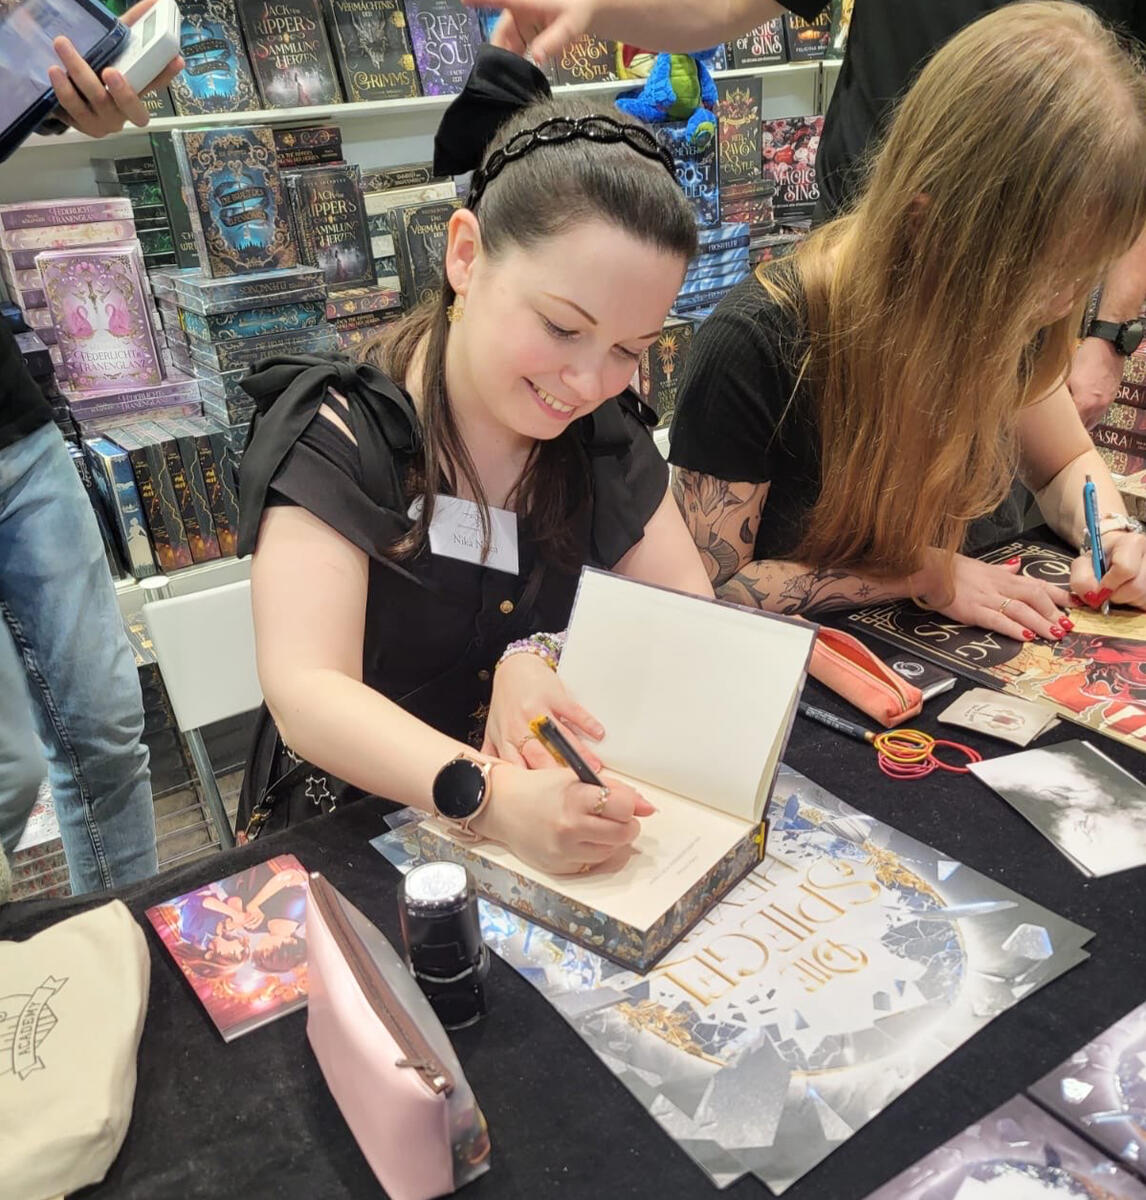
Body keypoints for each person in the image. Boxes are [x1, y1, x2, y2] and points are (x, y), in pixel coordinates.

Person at [235, 50, 712, 876]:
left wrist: (541, 655)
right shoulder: (341, 434)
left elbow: (688, 627)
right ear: (465, 255)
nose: (587, 382)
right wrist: (488, 796)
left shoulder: (602, 436)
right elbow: (309, 692)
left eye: (631, 349)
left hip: (551, 826)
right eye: (563, 328)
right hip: (356, 829)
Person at [668, 3, 1146, 642]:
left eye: (1079, 278)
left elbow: (1064, 466)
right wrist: (921, 574)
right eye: (1039, 283)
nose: (1058, 308)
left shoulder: (1009, 297)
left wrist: (1111, 533)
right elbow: (706, 590)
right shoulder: (756, 344)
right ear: (926, 224)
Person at [473, 0, 1146, 427]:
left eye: (629, 349)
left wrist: (1111, 331)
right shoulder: (766, 344)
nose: (1064, 302)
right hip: (863, 270)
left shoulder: (1016, 320)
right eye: (563, 327)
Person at [0, 0, 183, 891]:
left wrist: (64, 93)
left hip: (12, 420)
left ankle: (128, 960)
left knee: (107, 730)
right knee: (8, 775)